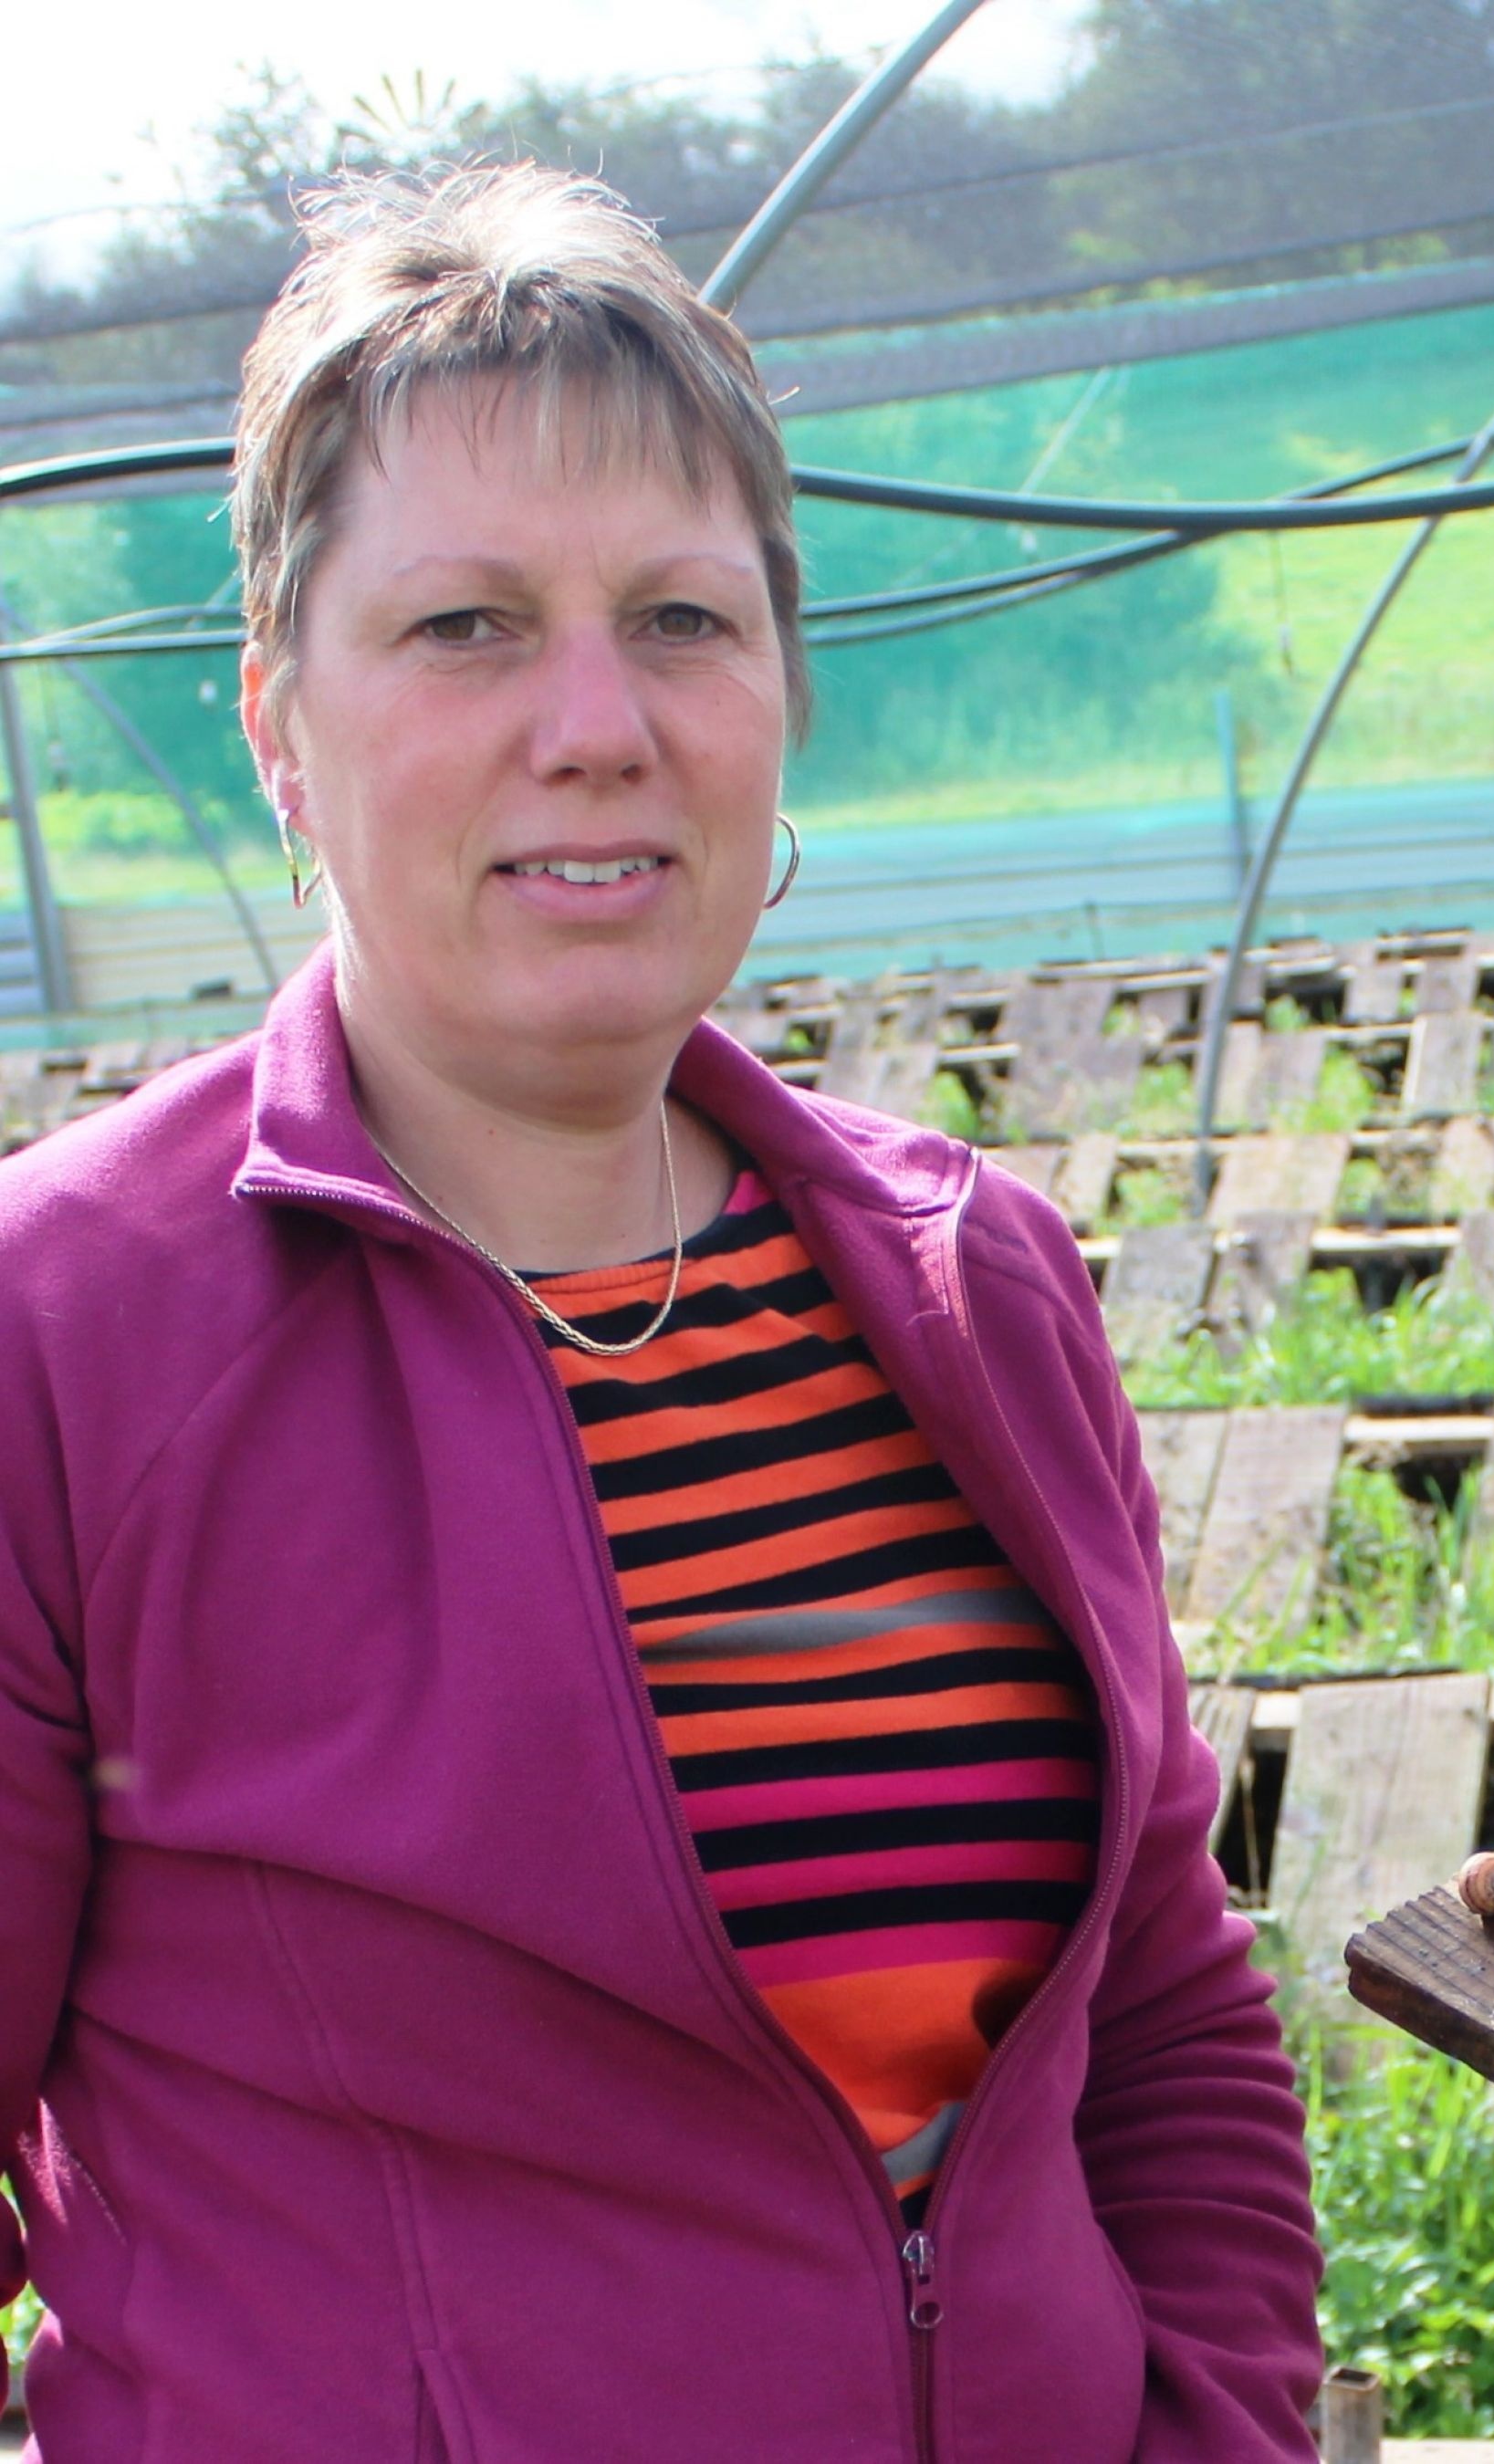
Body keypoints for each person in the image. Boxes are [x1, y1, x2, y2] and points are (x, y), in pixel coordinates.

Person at [0, 166, 1322, 2461]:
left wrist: (1215, 2427)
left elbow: (1163, 1997)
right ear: (275, 724)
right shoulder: (65, 1342)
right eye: (466, 629)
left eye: (682, 621)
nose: (598, 722)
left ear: (779, 698)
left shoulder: (964, 1274)